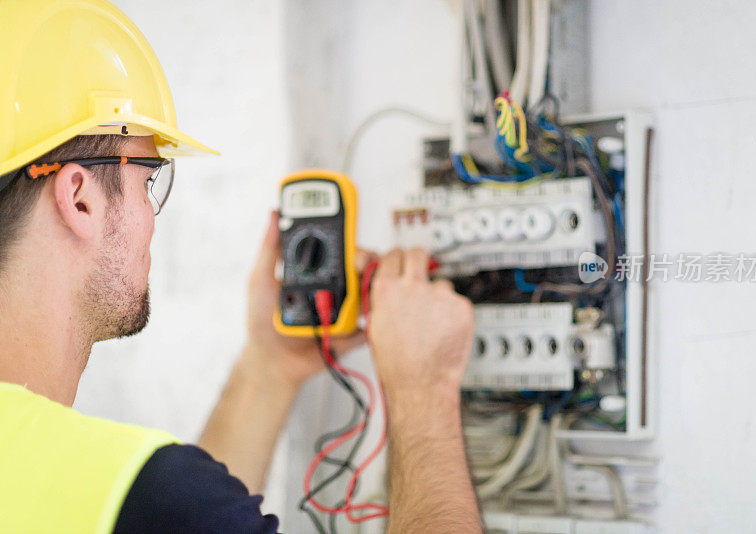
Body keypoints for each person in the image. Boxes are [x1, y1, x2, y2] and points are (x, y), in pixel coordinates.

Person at [0, 0, 482, 532]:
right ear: (80, 197)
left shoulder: (129, 497)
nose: (150, 214)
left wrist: (270, 366)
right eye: (149, 178)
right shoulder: (136, 495)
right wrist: (425, 389)